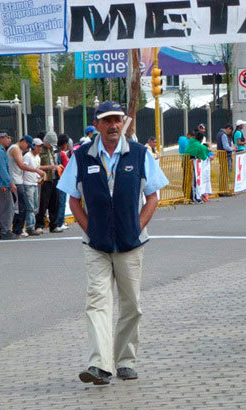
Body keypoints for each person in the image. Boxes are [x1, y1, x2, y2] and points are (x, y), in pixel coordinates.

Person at [57, 100, 169, 385]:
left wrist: (138, 225)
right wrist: (90, 228)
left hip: (131, 245)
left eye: (117, 119)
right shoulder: (82, 157)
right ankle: (99, 365)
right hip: (96, 246)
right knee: (97, 302)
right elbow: (73, 198)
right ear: (97, 125)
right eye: (107, 120)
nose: (114, 125)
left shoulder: (140, 154)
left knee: (131, 305)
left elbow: (153, 196)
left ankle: (125, 361)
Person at [8, 135, 46, 237]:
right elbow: (22, 165)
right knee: (22, 207)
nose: (27, 148)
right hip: (16, 181)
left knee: (23, 206)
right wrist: (36, 170)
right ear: (23, 141)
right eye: (28, 145)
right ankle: (19, 229)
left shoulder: (18, 150)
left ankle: (19, 229)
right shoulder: (15, 149)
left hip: (19, 180)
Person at [36, 131, 61, 233]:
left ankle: (54, 225)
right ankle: (39, 225)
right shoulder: (40, 150)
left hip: (54, 178)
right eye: (50, 143)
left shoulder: (51, 150)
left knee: (55, 202)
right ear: (45, 141)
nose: (51, 145)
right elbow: (36, 166)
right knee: (43, 203)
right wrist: (49, 167)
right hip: (45, 179)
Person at [22, 138, 44, 236]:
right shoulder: (27, 156)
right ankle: (30, 227)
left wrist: (39, 177)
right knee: (30, 207)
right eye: (38, 146)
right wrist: (36, 171)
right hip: (28, 184)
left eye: (40, 146)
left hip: (35, 183)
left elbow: (37, 168)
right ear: (33, 146)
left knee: (35, 207)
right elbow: (24, 167)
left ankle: (32, 225)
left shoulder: (37, 157)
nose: (40, 148)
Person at [55, 134, 71, 231]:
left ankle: (59, 222)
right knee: (62, 202)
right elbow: (67, 166)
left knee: (59, 202)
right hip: (62, 179)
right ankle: (60, 222)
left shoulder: (56, 152)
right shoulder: (62, 154)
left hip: (57, 180)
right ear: (64, 143)